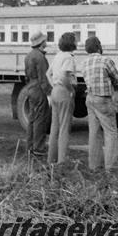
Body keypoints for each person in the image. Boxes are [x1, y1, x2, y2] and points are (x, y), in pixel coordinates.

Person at [81, 36, 118, 172]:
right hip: (103, 99)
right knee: (110, 132)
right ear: (99, 47)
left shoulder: (84, 63)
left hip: (90, 98)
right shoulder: (106, 61)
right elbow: (117, 78)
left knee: (94, 133)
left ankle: (94, 165)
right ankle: (110, 166)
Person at [46, 32, 77, 165]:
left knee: (55, 127)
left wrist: (54, 85)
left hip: (55, 91)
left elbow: (48, 73)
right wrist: (70, 90)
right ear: (72, 43)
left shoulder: (58, 55)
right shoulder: (69, 58)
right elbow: (65, 76)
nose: (77, 43)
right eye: (75, 40)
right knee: (65, 127)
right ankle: (62, 161)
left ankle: (51, 159)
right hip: (64, 91)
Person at [24, 31, 50, 157]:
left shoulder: (29, 56)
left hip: (30, 88)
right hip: (39, 89)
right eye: (45, 40)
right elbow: (43, 78)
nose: (46, 41)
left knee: (32, 118)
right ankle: (39, 148)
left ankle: (30, 146)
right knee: (40, 118)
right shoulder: (40, 57)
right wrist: (49, 93)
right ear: (41, 42)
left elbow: (26, 74)